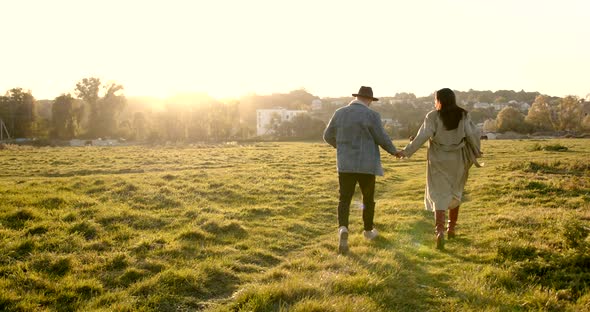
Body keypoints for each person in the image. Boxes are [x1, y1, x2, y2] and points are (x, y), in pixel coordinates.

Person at [399, 88, 482, 249]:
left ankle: (440, 231)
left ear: (439, 100)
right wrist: (476, 151)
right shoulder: (463, 115)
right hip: (458, 159)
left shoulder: (432, 116)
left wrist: (406, 152)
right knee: (455, 191)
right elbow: (472, 134)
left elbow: (422, 136)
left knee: (439, 195)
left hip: (438, 159)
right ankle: (451, 228)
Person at [323, 86, 399, 254]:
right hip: (367, 164)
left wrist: (340, 146)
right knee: (368, 199)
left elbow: (327, 135)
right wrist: (394, 151)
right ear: (370, 100)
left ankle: (343, 228)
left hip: (345, 164)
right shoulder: (372, 115)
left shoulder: (339, 113)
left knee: (344, 199)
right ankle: (368, 231)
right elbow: (381, 137)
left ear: (356, 97)